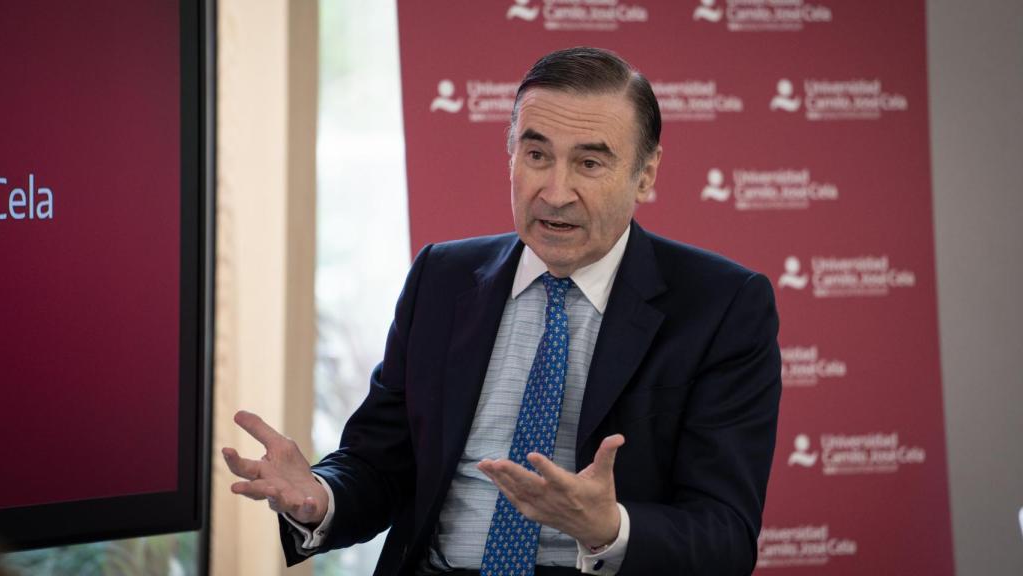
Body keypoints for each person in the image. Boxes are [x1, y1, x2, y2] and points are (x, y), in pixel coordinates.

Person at [223, 47, 781, 576]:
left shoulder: (720, 305)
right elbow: (380, 464)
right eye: (536, 155)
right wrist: (321, 495)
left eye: (589, 162)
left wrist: (608, 527)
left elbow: (725, 536)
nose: (556, 191)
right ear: (511, 153)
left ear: (646, 172)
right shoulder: (441, 278)